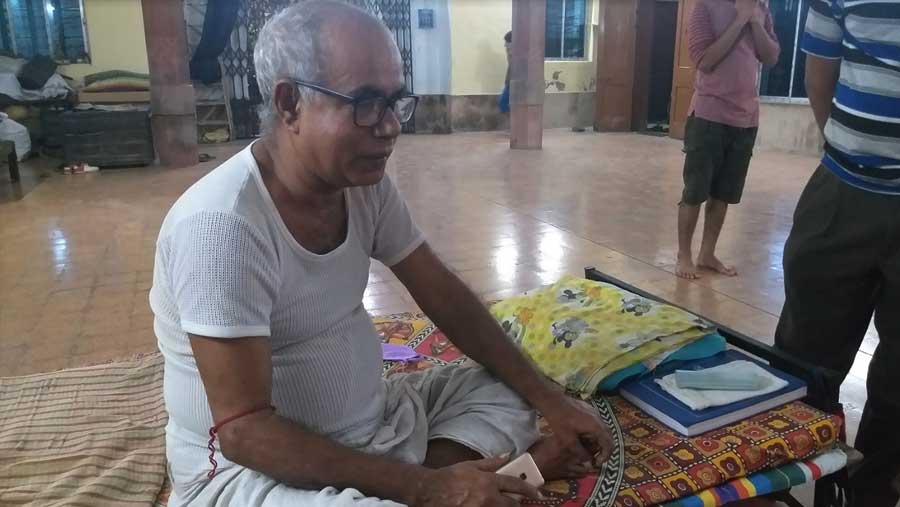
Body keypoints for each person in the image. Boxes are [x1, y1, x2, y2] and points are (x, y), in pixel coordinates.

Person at [149, 2, 612, 506]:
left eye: (395, 101)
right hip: (251, 473)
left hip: (377, 424)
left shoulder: (360, 184)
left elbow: (444, 296)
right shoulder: (222, 227)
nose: (390, 125)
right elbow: (244, 431)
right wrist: (427, 487)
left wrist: (551, 400)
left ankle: (435, 484)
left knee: (504, 386)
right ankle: (453, 483)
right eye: (366, 102)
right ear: (289, 105)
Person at [775, 0, 900, 504]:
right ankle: (800, 485)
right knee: (804, 357)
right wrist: (850, 152)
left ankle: (873, 491)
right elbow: (820, 71)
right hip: (842, 190)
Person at [675, 0, 779, 279]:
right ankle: (683, 255)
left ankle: (707, 254)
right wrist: (739, 20)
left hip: (746, 119)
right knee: (695, 191)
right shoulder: (705, 6)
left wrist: (755, 20)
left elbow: (770, 57)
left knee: (724, 194)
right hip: (708, 114)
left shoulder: (762, 8)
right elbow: (703, 60)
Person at [499, 31, 512, 114]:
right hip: (509, 83)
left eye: (507, 42)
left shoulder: (518, 54)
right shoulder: (510, 54)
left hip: (514, 84)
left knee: (503, 103)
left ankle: (515, 122)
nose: (505, 45)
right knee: (503, 104)